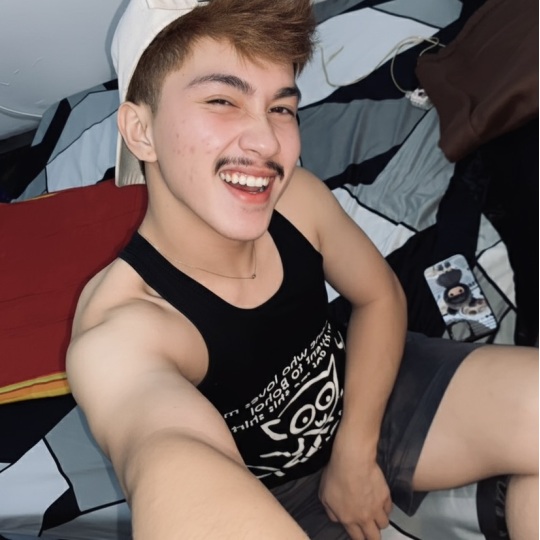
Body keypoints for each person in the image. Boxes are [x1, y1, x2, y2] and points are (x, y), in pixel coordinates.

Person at [66, 0, 538, 538]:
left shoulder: (298, 202)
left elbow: (379, 296)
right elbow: (168, 458)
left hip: (369, 388)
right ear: (141, 130)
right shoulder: (120, 334)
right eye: (222, 100)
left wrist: (355, 452)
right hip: (275, 498)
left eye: (281, 108)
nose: (268, 143)